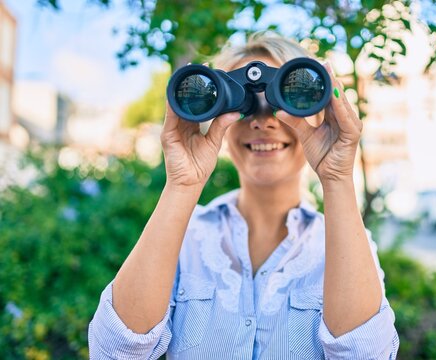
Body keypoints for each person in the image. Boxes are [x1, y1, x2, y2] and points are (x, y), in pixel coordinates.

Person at [88, 31, 399, 359]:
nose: (263, 121)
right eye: (244, 105)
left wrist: (337, 179)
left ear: (322, 112)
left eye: (287, 98)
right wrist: (182, 184)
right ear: (215, 117)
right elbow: (115, 352)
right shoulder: (186, 236)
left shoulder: (348, 243)